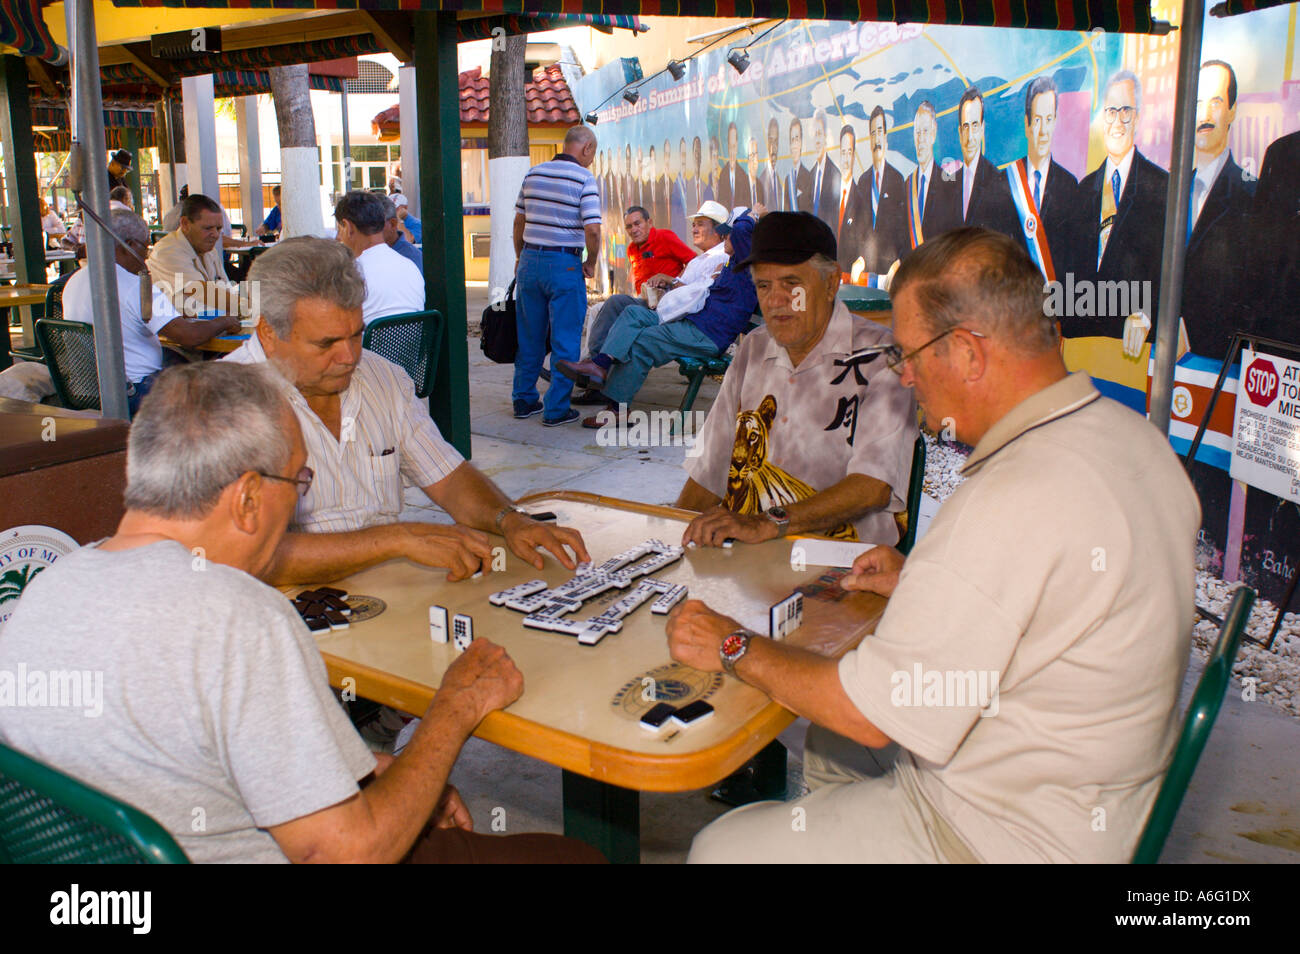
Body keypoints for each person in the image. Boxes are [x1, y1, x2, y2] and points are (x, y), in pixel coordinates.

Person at [671, 227, 1200, 863]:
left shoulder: (1011, 494)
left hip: (1003, 835)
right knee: (832, 752)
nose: (907, 379)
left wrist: (732, 643)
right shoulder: (1134, 440)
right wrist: (922, 581)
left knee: (717, 850)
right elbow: (1051, 594)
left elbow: (866, 712)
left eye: (911, 356)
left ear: (970, 354)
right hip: (1102, 796)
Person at [0, 360, 604, 864]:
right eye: (300, 481)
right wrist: (453, 711)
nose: (301, 501)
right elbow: (349, 853)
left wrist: (364, 766)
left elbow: (162, 748)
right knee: (578, 859)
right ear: (248, 498)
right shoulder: (242, 618)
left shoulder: (51, 588)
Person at [225, 237, 589, 586]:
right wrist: (396, 539)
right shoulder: (223, 406)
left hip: (387, 596)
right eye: (326, 343)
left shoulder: (381, 377)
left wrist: (509, 519)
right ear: (269, 332)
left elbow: (447, 476)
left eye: (355, 334)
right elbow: (246, 556)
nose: (350, 357)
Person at [677, 210, 917, 547]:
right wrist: (671, 539)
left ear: (831, 282)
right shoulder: (755, 349)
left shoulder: (881, 357)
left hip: (843, 558)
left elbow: (873, 486)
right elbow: (710, 466)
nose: (775, 301)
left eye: (791, 284)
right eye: (763, 285)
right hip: (750, 552)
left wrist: (766, 523)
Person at [556, 211, 758, 426]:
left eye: (729, 235)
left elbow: (743, 229)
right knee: (632, 313)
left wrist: (754, 214)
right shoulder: (731, 262)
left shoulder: (747, 264)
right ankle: (600, 365)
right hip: (693, 322)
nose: (726, 237)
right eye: (725, 234)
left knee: (643, 340)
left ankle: (617, 408)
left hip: (706, 335)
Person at [64, 210, 240, 414]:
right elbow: (189, 336)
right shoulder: (137, 287)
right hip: (137, 391)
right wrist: (225, 321)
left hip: (90, 390)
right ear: (128, 246)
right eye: (145, 246)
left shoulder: (74, 280)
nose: (146, 255)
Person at [574, 202, 731, 406]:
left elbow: (698, 295)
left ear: (719, 230)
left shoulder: (720, 258)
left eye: (700, 224)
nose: (693, 229)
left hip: (685, 318)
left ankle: (606, 383)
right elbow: (686, 285)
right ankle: (596, 369)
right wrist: (668, 283)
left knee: (639, 331)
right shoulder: (702, 258)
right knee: (616, 304)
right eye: (694, 224)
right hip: (667, 306)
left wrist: (669, 283)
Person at [1064, 70, 1168, 347]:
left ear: (1138, 116)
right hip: (1083, 344)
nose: (1118, 121)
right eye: (1111, 111)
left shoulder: (1162, 187)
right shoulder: (1084, 189)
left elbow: (1167, 274)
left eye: (1126, 110)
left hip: (1132, 348)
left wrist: (1147, 314)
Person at [511, 124, 601, 427]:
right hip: (564, 264)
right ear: (586, 148)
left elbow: (518, 222)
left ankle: (524, 400)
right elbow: (592, 229)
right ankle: (556, 409)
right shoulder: (584, 178)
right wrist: (592, 261)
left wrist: (520, 257)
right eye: (593, 154)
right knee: (565, 340)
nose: (591, 160)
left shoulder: (533, 174)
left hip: (530, 261)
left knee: (529, 337)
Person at [1183, 60, 1255, 359]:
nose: (1206, 113)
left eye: (1216, 101)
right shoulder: (1168, 191)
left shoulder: (1252, 195)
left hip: (1217, 369)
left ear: (1232, 110)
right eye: (1198, 102)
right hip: (1156, 365)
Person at [1006, 76, 1078, 282]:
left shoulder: (1070, 186)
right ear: (1027, 124)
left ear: (1055, 121)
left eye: (1049, 119)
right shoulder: (1005, 181)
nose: (1044, 131)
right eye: (1037, 120)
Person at [146, 193, 246, 317]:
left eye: (219, 228)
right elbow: (203, 292)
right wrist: (250, 307)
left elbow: (225, 290)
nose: (215, 234)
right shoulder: (167, 252)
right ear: (185, 224)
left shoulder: (210, 251)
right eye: (208, 228)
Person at [333, 191, 424, 325]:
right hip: (413, 345)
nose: (339, 238)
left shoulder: (351, 274)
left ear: (348, 227)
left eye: (340, 229)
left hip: (364, 346)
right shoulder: (410, 266)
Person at [844, 105, 906, 281]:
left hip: (890, 277)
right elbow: (858, 231)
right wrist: (859, 259)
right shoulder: (862, 182)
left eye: (879, 131)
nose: (876, 138)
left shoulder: (897, 179)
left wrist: (898, 264)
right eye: (873, 133)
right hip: (866, 275)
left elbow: (902, 232)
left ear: (885, 136)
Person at [953, 86, 1019, 238]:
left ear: (982, 129)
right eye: (966, 126)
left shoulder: (998, 181)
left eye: (975, 125)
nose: (969, 137)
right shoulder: (950, 184)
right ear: (960, 132)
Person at [902, 101, 958, 254]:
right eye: (917, 132)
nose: (920, 139)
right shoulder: (907, 185)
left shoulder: (948, 184)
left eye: (925, 131)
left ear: (933, 134)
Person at [623, 205, 696, 294]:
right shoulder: (631, 249)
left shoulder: (664, 237)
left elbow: (694, 261)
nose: (633, 230)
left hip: (670, 298)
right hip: (645, 301)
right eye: (629, 226)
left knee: (616, 301)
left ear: (649, 223)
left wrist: (675, 282)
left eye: (637, 224)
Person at [382, 194, 424, 274]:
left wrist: (400, 219)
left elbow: (408, 241)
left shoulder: (417, 224)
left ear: (405, 208)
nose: (392, 211)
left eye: (396, 208)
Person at [717, 121, 753, 210]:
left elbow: (747, 206)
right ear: (727, 146)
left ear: (737, 146)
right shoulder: (722, 175)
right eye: (730, 146)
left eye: (734, 146)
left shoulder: (744, 176)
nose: (732, 151)